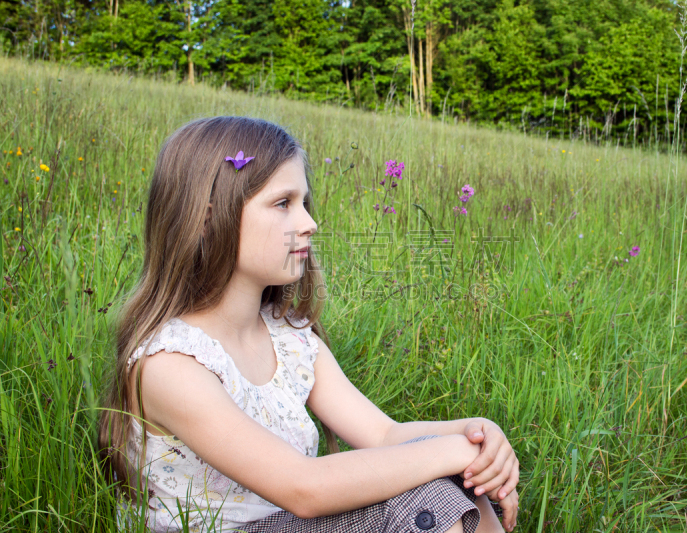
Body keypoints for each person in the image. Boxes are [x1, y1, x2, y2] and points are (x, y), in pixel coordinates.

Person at [97, 116, 520, 533]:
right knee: (435, 486)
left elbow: (384, 433)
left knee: (447, 481)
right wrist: (451, 453)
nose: (309, 223)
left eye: (303, 203)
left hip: (292, 525)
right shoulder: (170, 365)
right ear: (208, 221)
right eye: (283, 204)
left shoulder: (289, 339)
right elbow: (305, 487)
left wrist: (475, 436)